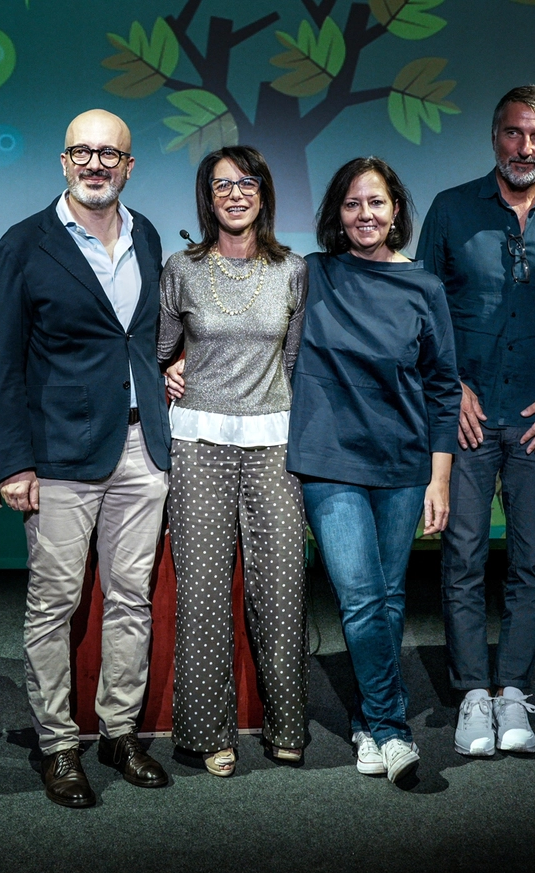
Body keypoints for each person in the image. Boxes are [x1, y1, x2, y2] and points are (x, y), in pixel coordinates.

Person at [0, 109, 171, 808]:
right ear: (64, 161)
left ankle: (119, 733)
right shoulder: (24, 243)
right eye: (82, 152)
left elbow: (146, 336)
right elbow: (3, 362)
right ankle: (59, 745)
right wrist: (14, 463)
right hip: (58, 456)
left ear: (130, 167)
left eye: (110, 155)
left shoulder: (147, 234)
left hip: (141, 447)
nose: (96, 165)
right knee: (54, 604)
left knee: (130, 598)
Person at [416, 85, 535, 757]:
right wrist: (451, 386)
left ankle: (514, 689)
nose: (525, 148)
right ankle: (471, 694)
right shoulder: (450, 209)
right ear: (494, 135)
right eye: (513, 133)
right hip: (465, 412)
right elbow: (423, 308)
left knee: (532, 557)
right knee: (461, 555)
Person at [287, 157, 459, 787]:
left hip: (404, 465)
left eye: (377, 203)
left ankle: (364, 720)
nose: (366, 215)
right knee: (361, 599)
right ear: (338, 212)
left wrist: (439, 480)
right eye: (353, 203)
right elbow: (247, 326)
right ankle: (391, 729)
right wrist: (180, 360)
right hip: (330, 461)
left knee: (387, 600)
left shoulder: (425, 288)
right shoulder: (311, 275)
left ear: (395, 211)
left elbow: (444, 389)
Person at [157, 146, 309, 777]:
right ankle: (206, 732)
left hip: (274, 444)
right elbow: (160, 349)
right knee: (201, 595)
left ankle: (286, 725)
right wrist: (169, 371)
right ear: (208, 196)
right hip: (197, 445)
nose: (236, 194)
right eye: (223, 186)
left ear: (264, 193)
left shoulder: (293, 270)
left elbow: (295, 361)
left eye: (248, 182)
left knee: (282, 590)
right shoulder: (182, 268)